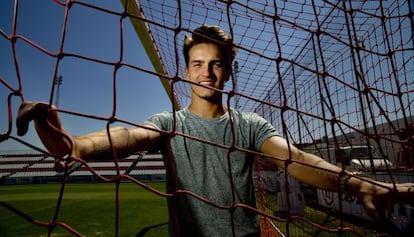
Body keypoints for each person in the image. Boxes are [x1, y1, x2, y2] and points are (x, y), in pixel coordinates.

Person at [16, 25, 413, 237]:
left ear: (227, 71)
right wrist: (72, 143)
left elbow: (295, 160)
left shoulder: (250, 125)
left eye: (217, 64)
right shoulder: (168, 124)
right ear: (186, 71)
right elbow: (122, 137)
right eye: (198, 63)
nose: (207, 72)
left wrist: (358, 184)